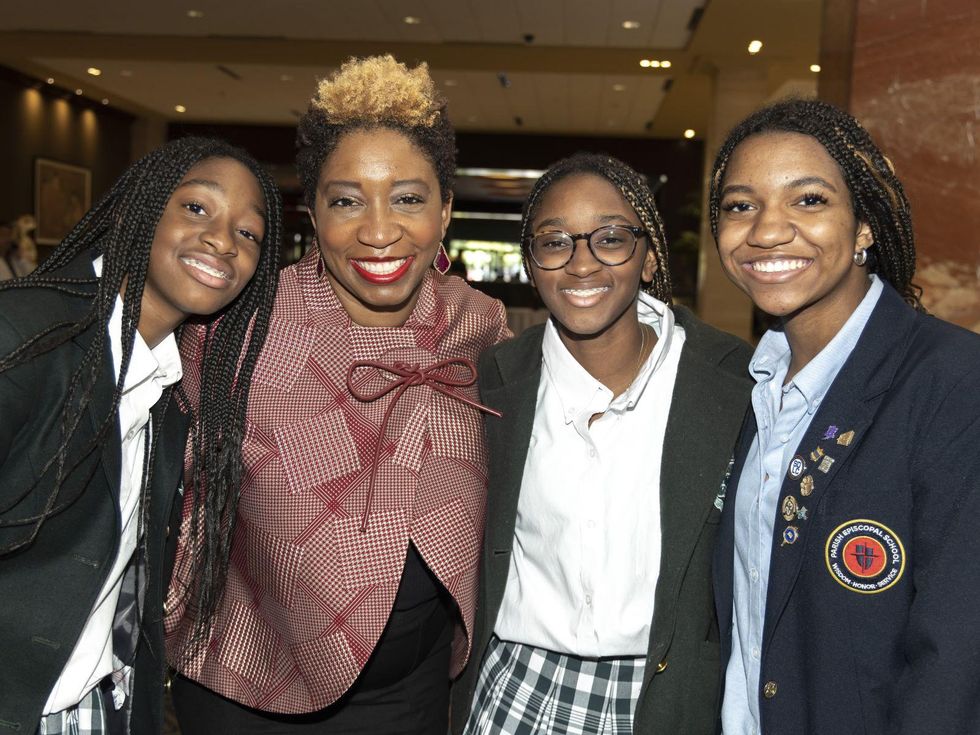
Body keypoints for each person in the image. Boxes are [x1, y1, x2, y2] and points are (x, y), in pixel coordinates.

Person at [165, 55, 510, 734]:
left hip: (411, 693)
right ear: (314, 213)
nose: (378, 230)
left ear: (445, 210)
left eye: (408, 197)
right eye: (346, 199)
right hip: (247, 684)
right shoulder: (239, 324)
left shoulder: (483, 327)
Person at [454, 153, 753, 734]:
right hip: (517, 687)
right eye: (554, 241)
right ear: (532, 264)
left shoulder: (732, 381)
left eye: (611, 238)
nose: (582, 263)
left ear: (649, 257)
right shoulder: (493, 380)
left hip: (669, 695)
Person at [710, 98, 980, 733]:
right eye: (740, 205)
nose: (767, 230)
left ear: (864, 227)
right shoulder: (753, 385)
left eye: (808, 200)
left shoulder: (952, 382)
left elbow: (956, 659)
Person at [0, 136, 282, 734]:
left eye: (249, 233)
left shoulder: (179, 393)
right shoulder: (24, 337)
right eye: (197, 208)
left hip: (98, 705)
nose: (221, 240)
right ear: (137, 208)